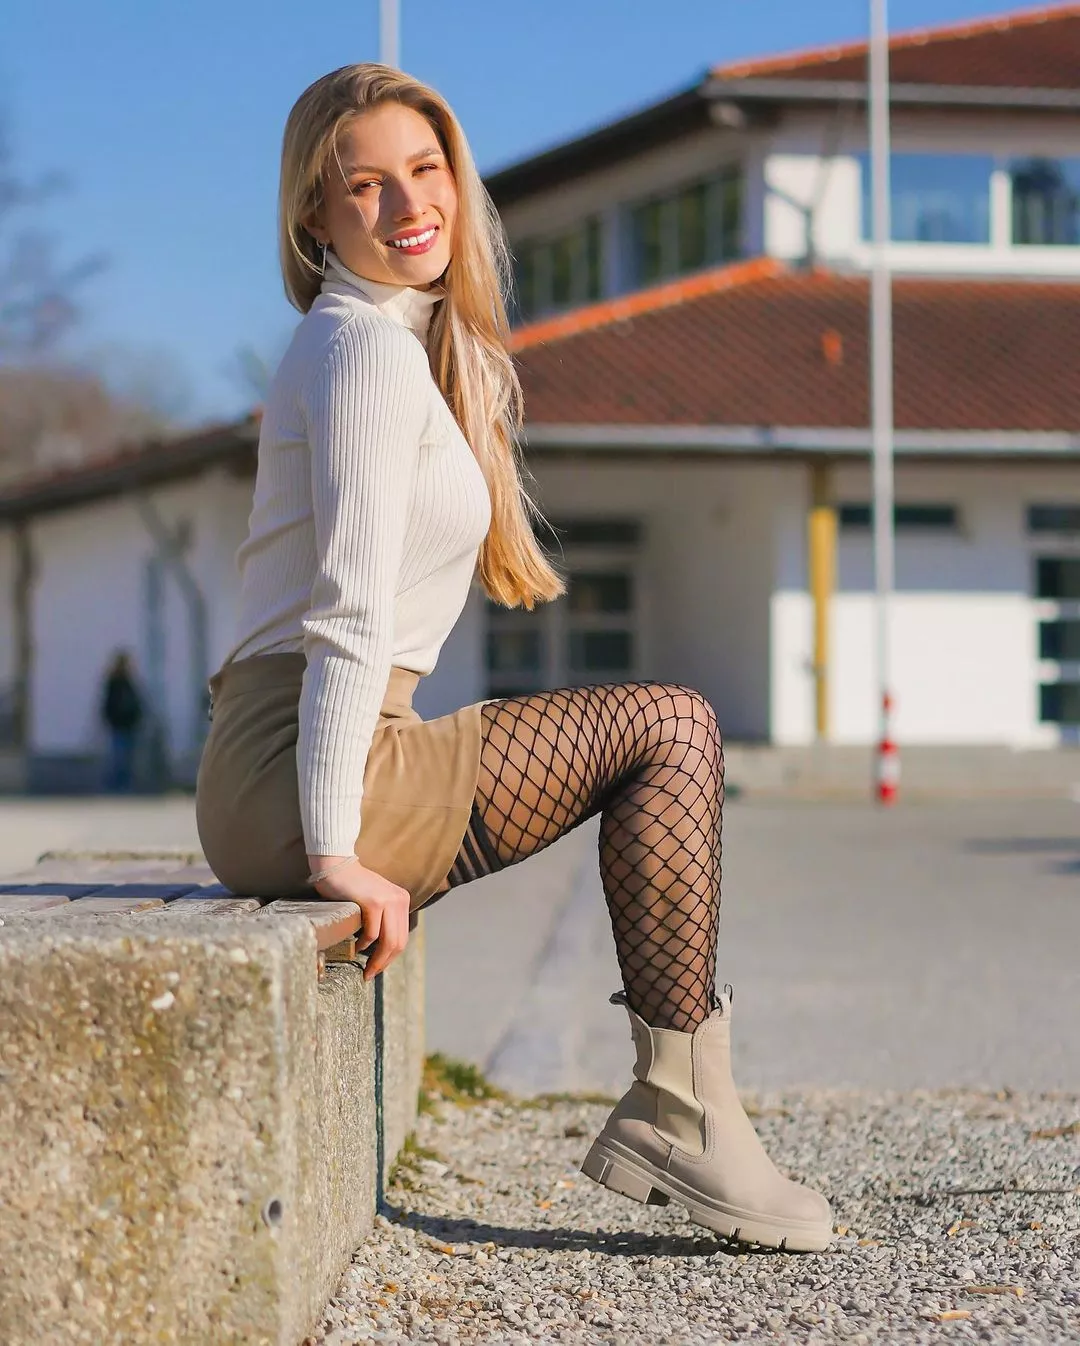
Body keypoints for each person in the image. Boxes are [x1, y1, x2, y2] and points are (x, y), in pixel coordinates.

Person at [195, 64, 833, 1252]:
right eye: (365, 187)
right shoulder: (363, 358)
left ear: (457, 173)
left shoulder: (397, 344)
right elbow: (343, 613)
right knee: (672, 729)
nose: (406, 208)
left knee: (657, 725)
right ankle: (683, 1113)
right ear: (314, 217)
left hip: (292, 752)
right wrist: (334, 852)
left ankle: (680, 1103)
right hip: (305, 764)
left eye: (424, 170)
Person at [100, 650, 143, 792]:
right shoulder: (115, 683)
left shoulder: (129, 683)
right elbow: (108, 704)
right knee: (119, 757)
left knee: (126, 757)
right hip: (119, 725)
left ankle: (124, 784)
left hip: (128, 725)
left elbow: (136, 703)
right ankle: (117, 784)